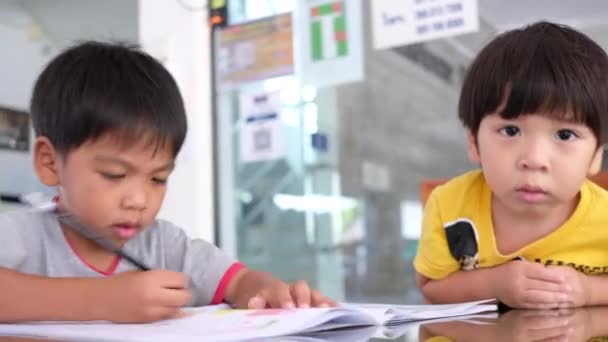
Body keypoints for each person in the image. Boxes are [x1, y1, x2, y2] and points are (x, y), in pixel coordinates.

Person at [0, 41, 335, 323]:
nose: (139, 199)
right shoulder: (20, 236)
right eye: (114, 175)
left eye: (158, 178)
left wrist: (271, 293)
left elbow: (239, 281)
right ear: (49, 162)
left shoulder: (166, 245)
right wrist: (100, 299)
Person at [414, 21, 608, 309]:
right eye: (510, 131)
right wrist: (496, 285)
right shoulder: (449, 204)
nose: (534, 159)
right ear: (473, 142)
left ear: (596, 156)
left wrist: (588, 291)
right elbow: (431, 287)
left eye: (565, 135)